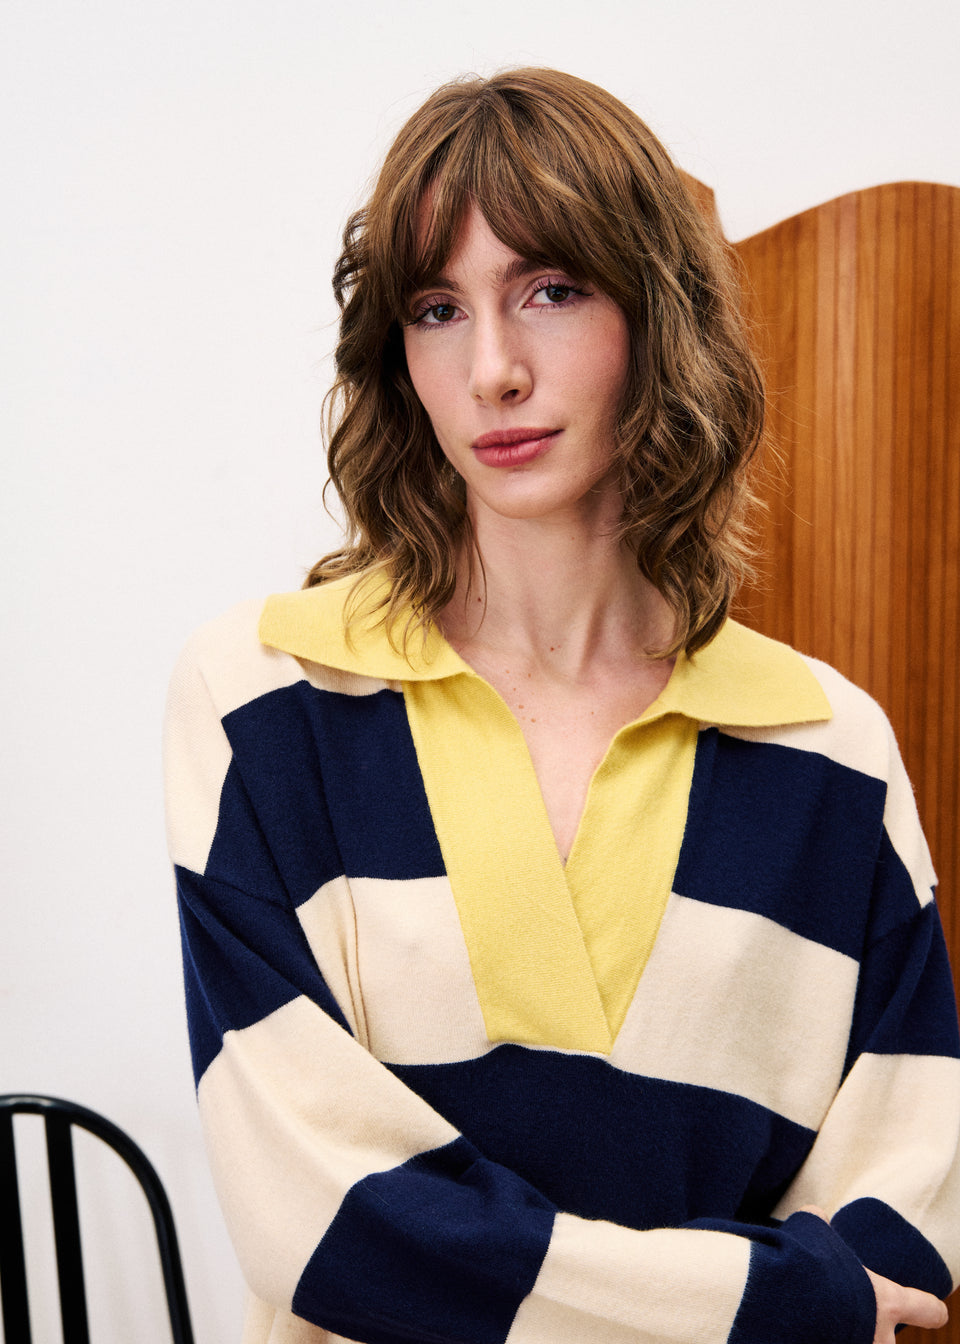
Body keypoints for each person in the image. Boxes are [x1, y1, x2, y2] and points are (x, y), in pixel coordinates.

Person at [164, 68, 960, 1344]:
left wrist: (803, 1295)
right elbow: (325, 1222)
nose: (493, 370)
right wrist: (771, 1300)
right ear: (396, 357)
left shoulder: (834, 750)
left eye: (551, 290)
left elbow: (900, 1238)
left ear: (659, 315)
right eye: (437, 309)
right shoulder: (263, 703)